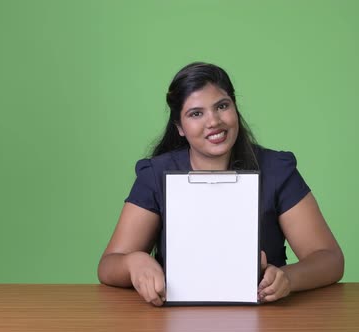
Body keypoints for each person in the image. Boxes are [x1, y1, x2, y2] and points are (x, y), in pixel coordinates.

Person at [98, 62, 344, 306]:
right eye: (196, 113)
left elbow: (330, 259)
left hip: (267, 315)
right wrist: (134, 262)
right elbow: (108, 265)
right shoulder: (155, 175)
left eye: (222, 106)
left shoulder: (277, 170)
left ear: (235, 108)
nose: (213, 121)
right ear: (179, 128)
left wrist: (287, 278)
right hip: (175, 317)